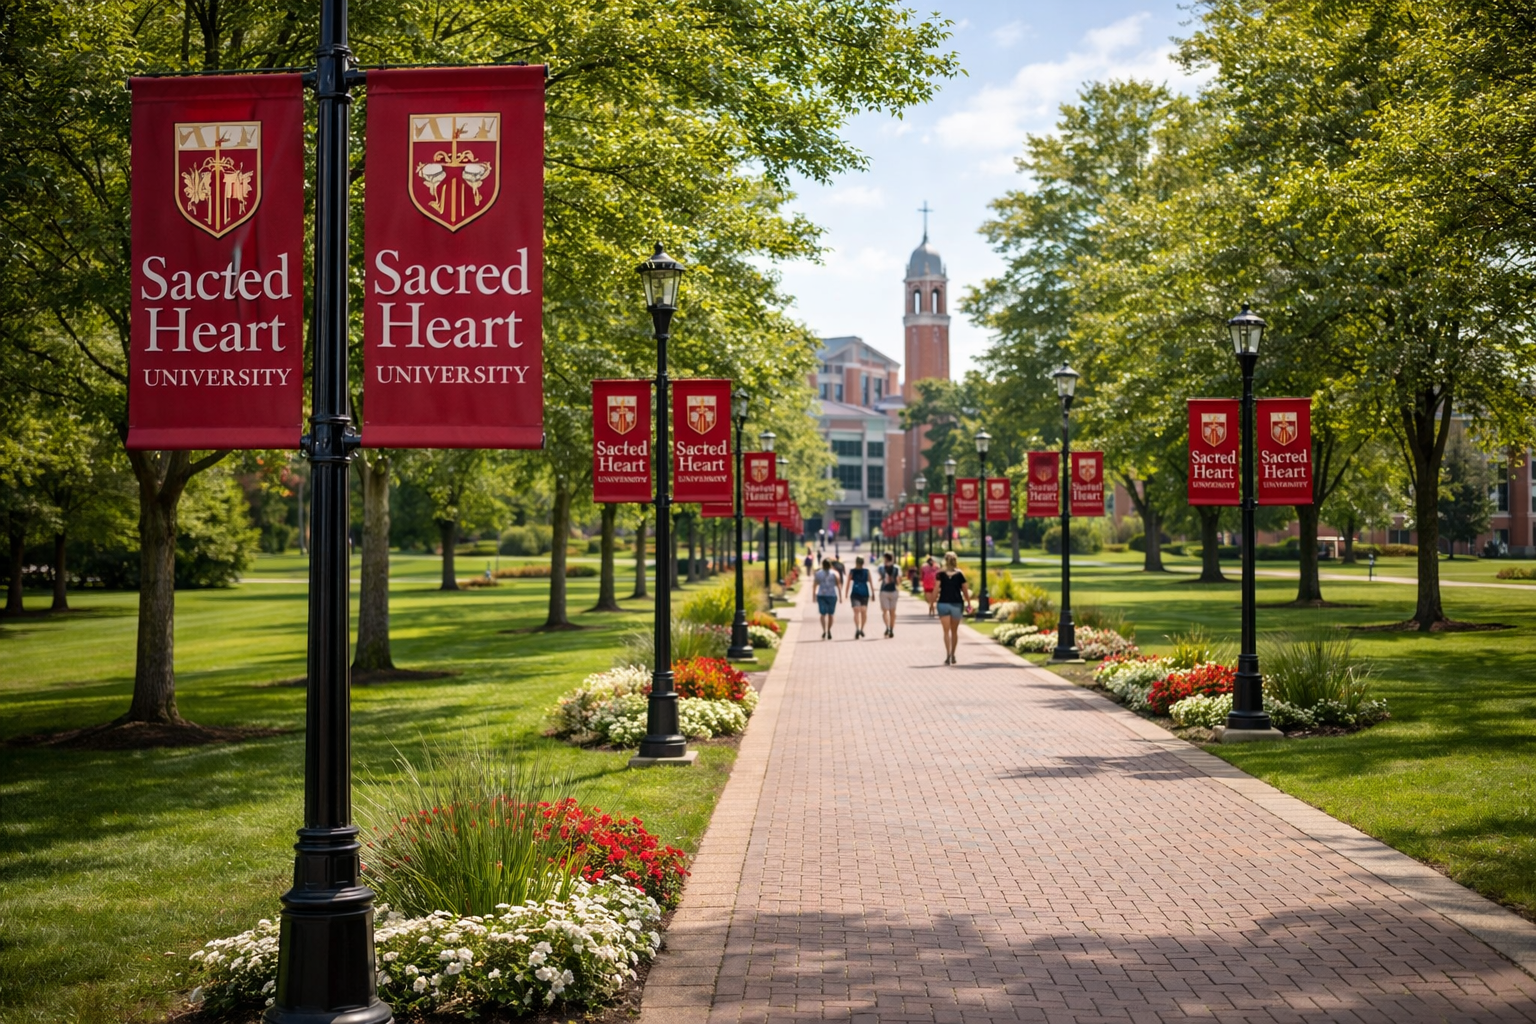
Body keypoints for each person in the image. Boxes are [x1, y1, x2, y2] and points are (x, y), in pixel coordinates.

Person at [934, 551, 972, 665]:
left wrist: (931, 601)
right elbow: (965, 590)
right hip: (957, 604)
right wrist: (969, 603)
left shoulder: (940, 574)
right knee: (954, 631)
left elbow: (936, 589)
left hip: (943, 603)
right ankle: (953, 655)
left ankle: (948, 655)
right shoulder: (960, 574)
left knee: (946, 632)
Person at [813, 557, 842, 639]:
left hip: (821, 595)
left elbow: (815, 585)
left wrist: (813, 596)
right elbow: (839, 585)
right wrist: (840, 596)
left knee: (822, 614)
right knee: (830, 614)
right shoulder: (835, 573)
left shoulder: (819, 573)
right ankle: (829, 630)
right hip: (832, 595)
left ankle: (824, 630)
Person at [877, 551, 901, 638]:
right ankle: (890, 628)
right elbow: (898, 581)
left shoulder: (882, 568)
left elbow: (880, 578)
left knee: (886, 612)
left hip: (885, 591)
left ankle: (889, 628)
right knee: (891, 612)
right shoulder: (895, 568)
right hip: (891, 591)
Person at [847, 556, 872, 638]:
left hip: (864, 593)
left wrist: (873, 593)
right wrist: (846, 593)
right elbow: (848, 581)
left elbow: (870, 582)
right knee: (856, 610)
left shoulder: (866, 571)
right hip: (855, 593)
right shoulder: (852, 571)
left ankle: (861, 629)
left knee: (864, 611)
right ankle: (857, 628)